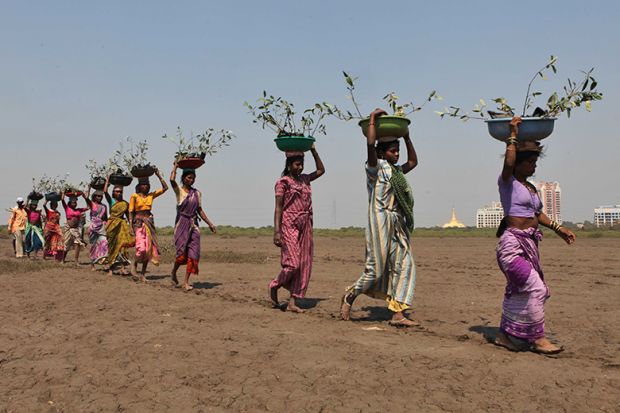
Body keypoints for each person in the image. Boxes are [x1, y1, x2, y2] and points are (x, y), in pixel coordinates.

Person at [493, 116, 575, 355]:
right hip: (511, 247)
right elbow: (507, 164)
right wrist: (512, 136)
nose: (534, 166)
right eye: (530, 162)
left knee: (519, 291)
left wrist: (560, 229)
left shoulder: (530, 188)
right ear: (518, 163)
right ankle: (538, 338)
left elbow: (538, 214)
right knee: (536, 288)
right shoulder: (507, 182)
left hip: (529, 245)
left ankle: (503, 336)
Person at [340, 108, 418, 327]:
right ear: (382, 153)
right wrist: (372, 119)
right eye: (393, 151)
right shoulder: (375, 169)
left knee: (405, 264)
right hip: (380, 220)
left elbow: (413, 162)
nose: (397, 155)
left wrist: (407, 137)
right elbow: (369, 146)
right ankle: (351, 295)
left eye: (398, 150)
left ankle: (398, 313)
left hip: (397, 223)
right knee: (375, 268)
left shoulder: (397, 172)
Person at [269, 145, 325, 313]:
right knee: (292, 264)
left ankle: (293, 302)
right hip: (289, 224)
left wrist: (314, 150)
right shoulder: (282, 182)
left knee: (303, 264)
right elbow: (278, 208)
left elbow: (321, 170)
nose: (299, 167)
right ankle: (275, 285)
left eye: (301, 164)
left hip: (306, 223)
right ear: (288, 165)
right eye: (296, 165)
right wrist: (277, 231)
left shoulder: (305, 179)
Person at [169, 161, 217, 291]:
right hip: (182, 225)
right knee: (181, 256)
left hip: (194, 225)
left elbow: (200, 210)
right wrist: (175, 166)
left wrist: (210, 224)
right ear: (183, 178)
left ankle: (186, 282)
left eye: (193, 178)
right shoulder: (179, 191)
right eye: (189, 177)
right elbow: (171, 180)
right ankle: (173, 271)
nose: (191, 180)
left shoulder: (197, 193)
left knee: (193, 254)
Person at [128, 170, 168, 282]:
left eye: (147, 185)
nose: (145, 186)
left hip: (149, 222)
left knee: (148, 249)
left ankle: (143, 274)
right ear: (139, 186)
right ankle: (134, 264)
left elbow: (165, 188)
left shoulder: (151, 195)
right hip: (138, 223)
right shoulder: (134, 196)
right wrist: (130, 226)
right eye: (143, 185)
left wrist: (158, 175)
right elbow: (131, 211)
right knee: (141, 247)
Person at [103, 175, 134, 276]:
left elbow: (129, 215)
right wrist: (107, 180)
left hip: (122, 226)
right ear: (113, 192)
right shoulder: (111, 201)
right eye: (117, 191)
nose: (119, 193)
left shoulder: (125, 203)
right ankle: (111, 269)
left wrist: (130, 226)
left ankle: (123, 268)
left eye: (121, 192)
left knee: (122, 247)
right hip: (111, 226)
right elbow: (104, 192)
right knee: (111, 247)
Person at [61, 191, 89, 266]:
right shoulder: (67, 208)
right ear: (70, 203)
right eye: (73, 202)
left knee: (77, 243)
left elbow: (89, 207)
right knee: (66, 245)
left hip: (76, 229)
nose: (74, 204)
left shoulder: (79, 210)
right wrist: (63, 193)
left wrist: (85, 198)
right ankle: (63, 259)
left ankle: (76, 261)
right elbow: (62, 200)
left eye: (75, 202)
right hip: (68, 229)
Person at [85, 185, 109, 271]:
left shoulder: (104, 206)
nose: (99, 197)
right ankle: (92, 265)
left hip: (102, 227)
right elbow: (86, 197)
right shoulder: (92, 204)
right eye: (97, 196)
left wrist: (107, 225)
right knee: (93, 246)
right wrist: (89, 188)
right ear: (94, 197)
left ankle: (105, 263)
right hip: (93, 227)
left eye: (100, 196)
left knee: (104, 244)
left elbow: (105, 217)